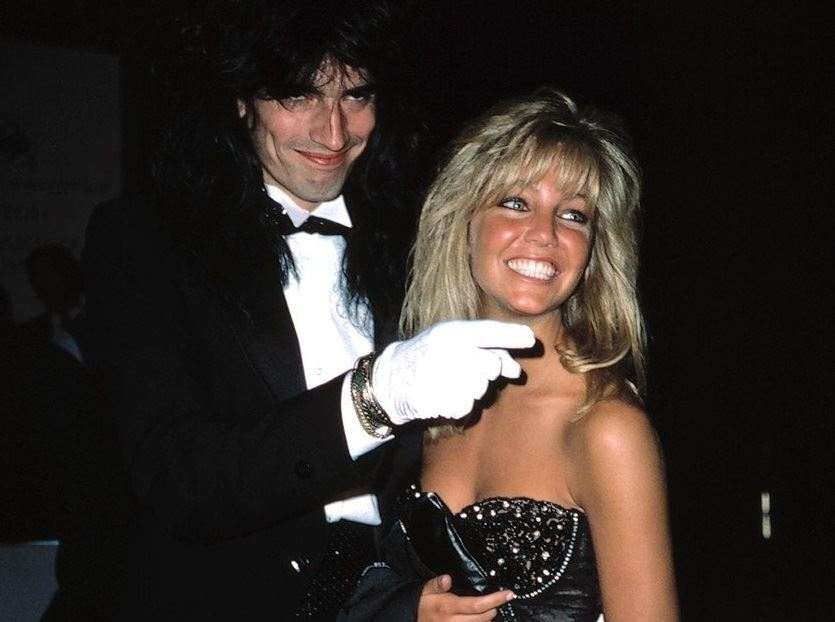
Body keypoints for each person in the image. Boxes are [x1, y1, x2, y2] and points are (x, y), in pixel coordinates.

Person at [81, 1, 534, 618]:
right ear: (241, 99)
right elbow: (177, 484)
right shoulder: (143, 239)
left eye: (356, 95)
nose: (334, 133)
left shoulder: (418, 240)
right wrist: (374, 398)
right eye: (299, 95)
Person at [340, 89, 679, 621]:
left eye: (573, 215)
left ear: (594, 250)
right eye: (516, 203)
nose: (545, 235)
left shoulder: (605, 427)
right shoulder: (417, 400)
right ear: (462, 220)